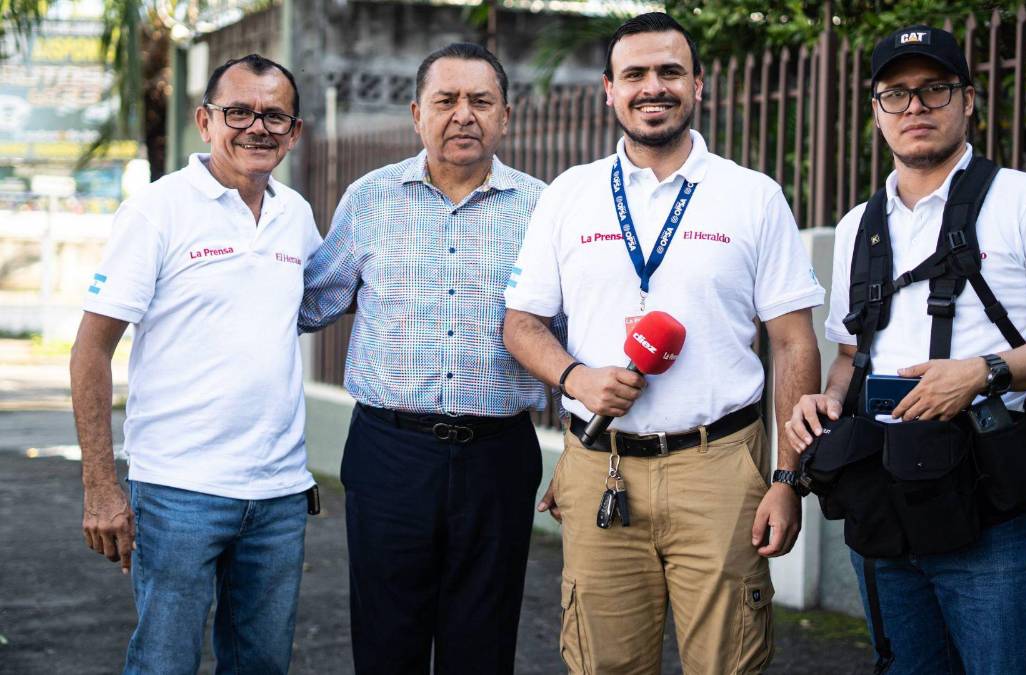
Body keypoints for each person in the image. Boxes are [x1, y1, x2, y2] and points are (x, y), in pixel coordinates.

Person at [502, 13, 824, 674]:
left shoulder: (752, 196)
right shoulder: (570, 195)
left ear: (698, 85)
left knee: (729, 662)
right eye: (635, 74)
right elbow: (521, 323)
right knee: (603, 664)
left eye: (670, 71)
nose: (654, 87)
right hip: (601, 463)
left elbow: (795, 344)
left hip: (721, 466)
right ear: (609, 90)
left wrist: (789, 477)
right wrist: (575, 378)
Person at [786, 25, 1026, 675]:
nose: (915, 109)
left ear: (969, 100)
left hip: (991, 500)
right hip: (883, 491)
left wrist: (985, 371)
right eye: (895, 95)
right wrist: (827, 400)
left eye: (934, 90)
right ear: (876, 110)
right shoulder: (858, 225)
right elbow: (852, 353)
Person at [300, 43, 551, 674]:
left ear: (506, 116)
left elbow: (572, 329)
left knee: (483, 645)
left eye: (480, 101)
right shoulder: (371, 198)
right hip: (390, 452)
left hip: (499, 454)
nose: (463, 115)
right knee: (387, 644)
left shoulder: (544, 208)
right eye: (446, 101)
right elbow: (310, 303)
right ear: (417, 113)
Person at [70, 54, 319, 673]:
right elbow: (91, 350)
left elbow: (323, 302)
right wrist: (101, 486)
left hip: (279, 494)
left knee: (262, 665)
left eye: (274, 116)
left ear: (294, 132)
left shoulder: (296, 214)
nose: (256, 128)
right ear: (205, 121)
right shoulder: (158, 210)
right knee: (164, 662)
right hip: (179, 490)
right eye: (239, 112)